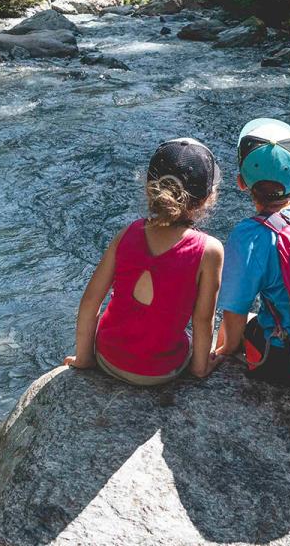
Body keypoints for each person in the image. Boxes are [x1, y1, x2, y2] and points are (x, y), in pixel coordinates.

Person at [65, 138, 225, 385]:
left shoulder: (127, 234)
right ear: (206, 199)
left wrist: (85, 358)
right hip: (161, 371)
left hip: (109, 359)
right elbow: (203, 319)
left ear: (149, 188)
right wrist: (200, 368)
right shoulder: (209, 250)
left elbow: (90, 301)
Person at [211, 117, 290, 389]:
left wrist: (226, 351)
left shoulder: (250, 235)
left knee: (251, 327)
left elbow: (235, 308)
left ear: (240, 182)